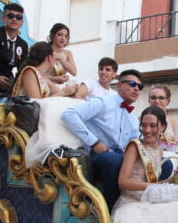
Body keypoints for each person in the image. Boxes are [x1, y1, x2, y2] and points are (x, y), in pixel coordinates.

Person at [61, 69, 143, 209]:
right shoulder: (103, 102)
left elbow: (134, 144)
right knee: (113, 160)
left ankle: (137, 208)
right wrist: (94, 142)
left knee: (160, 164)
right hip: (96, 156)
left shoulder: (133, 119)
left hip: (120, 157)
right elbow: (69, 115)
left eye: (140, 87)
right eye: (131, 84)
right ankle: (109, 211)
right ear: (119, 86)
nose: (136, 89)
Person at [10, 42, 76, 99]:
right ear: (50, 57)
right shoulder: (30, 72)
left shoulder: (43, 77)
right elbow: (36, 103)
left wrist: (72, 90)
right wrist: (63, 92)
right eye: (55, 58)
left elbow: (59, 93)